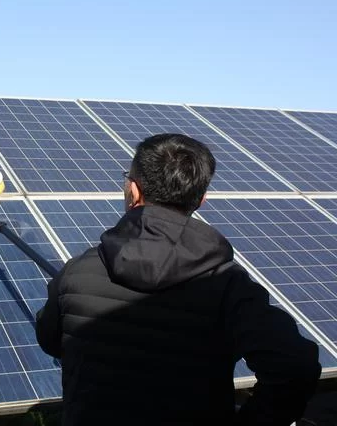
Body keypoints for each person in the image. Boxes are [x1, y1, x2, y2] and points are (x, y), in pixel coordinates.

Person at [35, 133, 322, 426]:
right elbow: (295, 368)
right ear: (201, 199)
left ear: (133, 190)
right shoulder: (228, 284)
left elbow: (51, 340)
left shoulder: (77, 271)